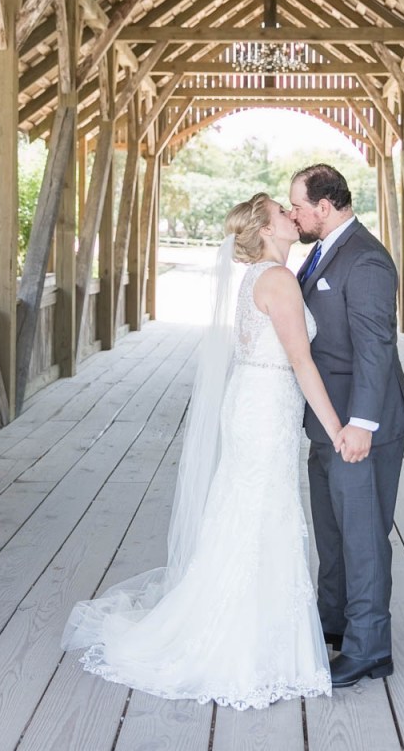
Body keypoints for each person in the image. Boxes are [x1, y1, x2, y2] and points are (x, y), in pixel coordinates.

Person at [61, 193, 345, 711]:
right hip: (265, 408)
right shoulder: (278, 280)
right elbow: (302, 362)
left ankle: (252, 631)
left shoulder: (256, 277)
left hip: (254, 401)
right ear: (266, 229)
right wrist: (337, 429)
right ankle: (250, 648)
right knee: (265, 513)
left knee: (248, 511)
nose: (292, 215)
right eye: (282, 211)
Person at [289, 163, 404, 689]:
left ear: (324, 206)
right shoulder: (321, 251)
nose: (293, 214)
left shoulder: (365, 259)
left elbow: (375, 347)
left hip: (359, 428)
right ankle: (334, 623)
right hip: (326, 424)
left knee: (363, 537)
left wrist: (361, 424)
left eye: (297, 206)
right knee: (332, 531)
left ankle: (369, 648)